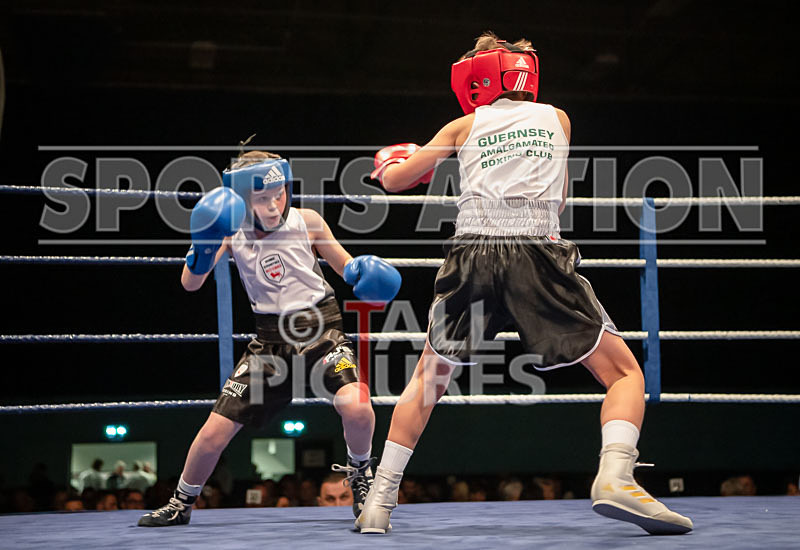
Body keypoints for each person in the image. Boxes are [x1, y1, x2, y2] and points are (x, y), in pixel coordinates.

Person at [357, 32, 693, 536]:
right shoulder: (558, 119)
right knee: (625, 374)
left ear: (478, 79)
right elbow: (556, 204)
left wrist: (390, 167)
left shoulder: (463, 125)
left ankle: (378, 506)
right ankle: (616, 476)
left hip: (472, 253)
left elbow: (396, 182)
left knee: (429, 379)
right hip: (537, 251)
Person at [139, 150, 402, 527]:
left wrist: (363, 273)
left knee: (357, 406)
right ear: (243, 200)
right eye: (263, 197)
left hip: (322, 331)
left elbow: (346, 269)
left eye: (279, 192)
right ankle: (181, 503)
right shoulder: (230, 231)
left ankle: (361, 475)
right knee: (214, 430)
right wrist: (204, 245)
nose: (275, 202)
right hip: (268, 341)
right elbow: (189, 283)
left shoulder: (307, 221)